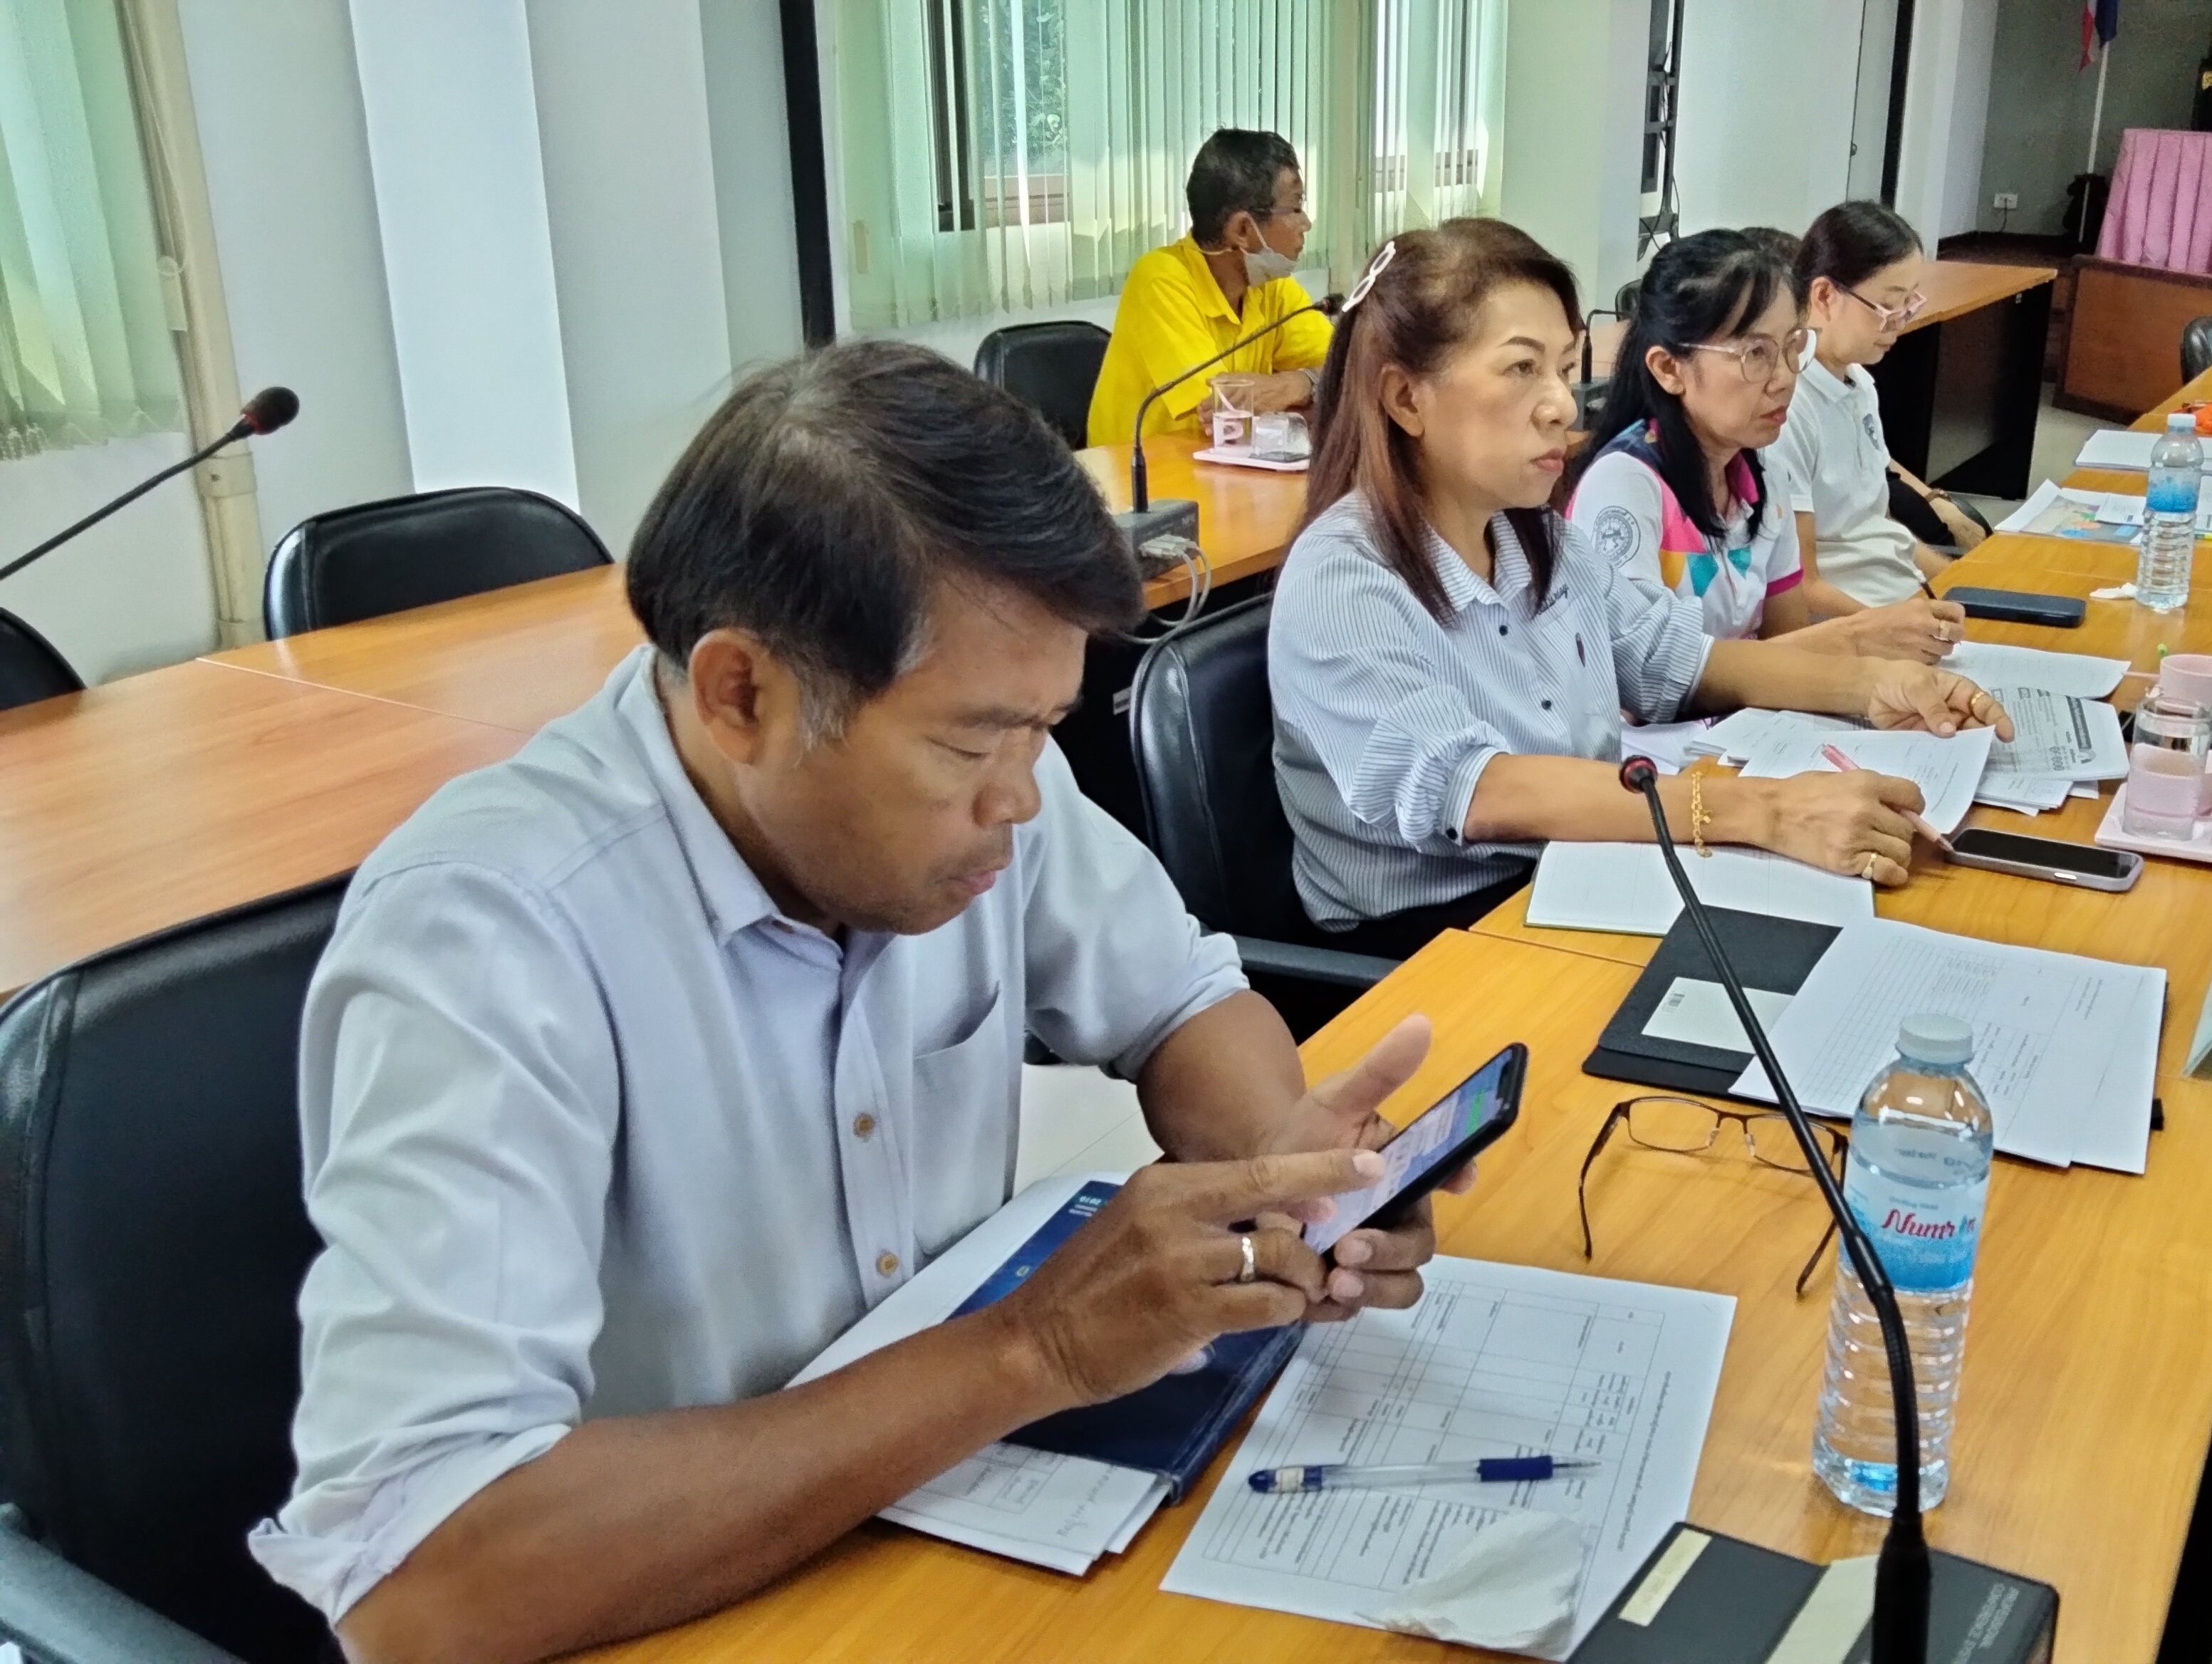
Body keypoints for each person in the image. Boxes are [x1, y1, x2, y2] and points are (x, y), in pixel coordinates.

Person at [252, 342, 1461, 1663]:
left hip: (934, 1534)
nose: (1020, 794)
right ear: (742, 693)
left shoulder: (989, 778)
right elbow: (418, 1582)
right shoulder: (489, 935)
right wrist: (1034, 1352)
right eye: (971, 741)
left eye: (1044, 728)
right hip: (671, 1601)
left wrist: (1285, 1179)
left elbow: (1179, 1001)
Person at [1267, 219, 2013, 955]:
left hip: (1576, 870)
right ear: (1406, 399)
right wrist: (1767, 811)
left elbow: (1681, 660)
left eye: (1564, 367)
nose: (1563, 405)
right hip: (1432, 941)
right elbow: (1480, 790)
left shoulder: (1535, 535)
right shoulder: (1343, 576)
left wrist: (1873, 686)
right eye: (1521, 368)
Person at [1562, 228, 1963, 661]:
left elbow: (1788, 648)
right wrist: (1858, 637)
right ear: (1669, 369)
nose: (1785, 378)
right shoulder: (1625, 485)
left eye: (1793, 346)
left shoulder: (1765, 477)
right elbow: (1645, 675)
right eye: (1755, 353)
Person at [1768, 201, 1991, 609]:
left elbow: (1878, 529)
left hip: (1899, 591)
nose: (1901, 322)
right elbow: (1803, 587)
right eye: (1889, 305)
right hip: (1856, 615)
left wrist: (1967, 586)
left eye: (1910, 303)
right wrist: (1907, 623)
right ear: (1824, 295)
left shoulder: (1860, 383)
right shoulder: (1790, 408)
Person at [1087, 128, 1332, 447]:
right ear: (1243, 230)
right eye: (1295, 208)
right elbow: (1221, 411)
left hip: (1230, 465)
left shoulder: (1272, 288)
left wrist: (1298, 384)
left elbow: (1352, 368)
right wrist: (1299, 392)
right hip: (1139, 473)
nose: (1306, 224)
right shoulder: (1160, 278)